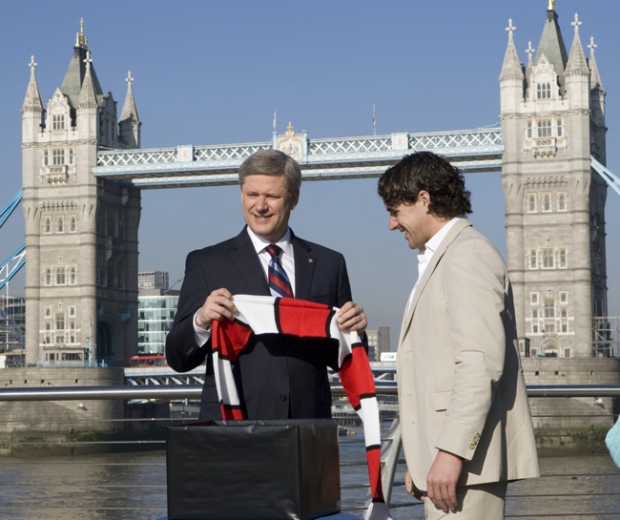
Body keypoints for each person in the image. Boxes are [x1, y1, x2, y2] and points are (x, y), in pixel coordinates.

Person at [377, 151, 540, 519]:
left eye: (395, 210)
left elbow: (479, 363)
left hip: (466, 465)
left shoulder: (467, 255)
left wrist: (450, 454)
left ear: (424, 198)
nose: (391, 224)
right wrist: (423, 459)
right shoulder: (446, 257)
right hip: (448, 464)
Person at [166, 149, 367, 421]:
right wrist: (200, 321)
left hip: (308, 429)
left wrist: (355, 331)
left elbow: (343, 356)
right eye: (252, 195)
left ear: (294, 199)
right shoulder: (206, 263)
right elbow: (178, 359)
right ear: (241, 195)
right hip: (232, 430)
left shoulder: (330, 263)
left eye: (271, 196)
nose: (260, 206)